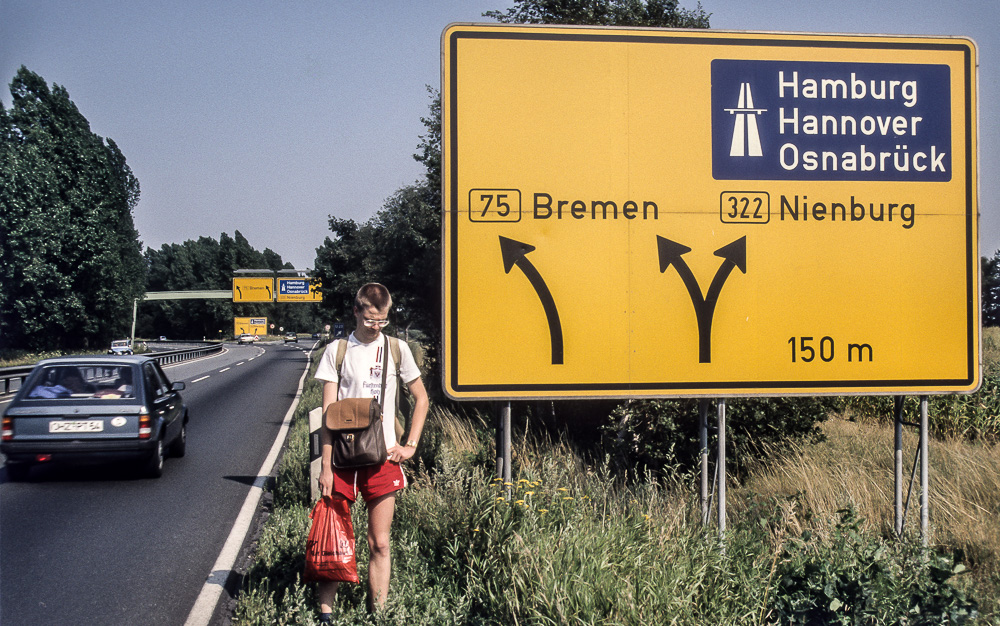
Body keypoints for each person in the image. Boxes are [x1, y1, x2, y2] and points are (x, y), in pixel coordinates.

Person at [313, 283, 429, 620]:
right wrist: (325, 466)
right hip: (343, 458)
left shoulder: (397, 349)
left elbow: (421, 398)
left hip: (383, 457)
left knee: (379, 541)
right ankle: (326, 614)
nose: (376, 326)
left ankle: (377, 614)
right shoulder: (337, 351)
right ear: (356, 312)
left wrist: (410, 445)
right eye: (370, 320)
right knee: (333, 537)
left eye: (382, 321)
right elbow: (327, 414)